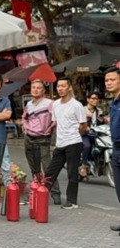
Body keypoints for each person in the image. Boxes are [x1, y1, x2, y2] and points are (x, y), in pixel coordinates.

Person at [44, 77, 87, 209]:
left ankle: (71, 201)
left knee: (72, 173)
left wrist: (74, 136)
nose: (60, 89)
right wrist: (50, 129)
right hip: (60, 143)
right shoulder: (55, 104)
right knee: (51, 171)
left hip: (74, 143)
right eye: (58, 86)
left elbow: (83, 126)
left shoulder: (77, 105)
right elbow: (57, 122)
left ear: (69, 87)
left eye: (63, 86)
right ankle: (41, 195)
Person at [22, 79, 61, 204]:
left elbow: (56, 118)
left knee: (48, 167)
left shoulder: (50, 103)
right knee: (34, 167)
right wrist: (25, 127)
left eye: (39, 88)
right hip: (29, 138)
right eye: (33, 87)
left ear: (43, 90)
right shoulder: (29, 104)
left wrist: (50, 128)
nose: (36, 90)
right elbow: (24, 117)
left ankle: (55, 194)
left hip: (43, 138)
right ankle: (36, 191)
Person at [104, 68, 120, 234]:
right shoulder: (112, 102)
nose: (109, 83)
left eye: (112, 80)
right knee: (119, 188)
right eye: (107, 80)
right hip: (115, 148)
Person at [80, 91, 105, 176]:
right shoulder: (82, 110)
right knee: (87, 146)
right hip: (85, 134)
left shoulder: (99, 111)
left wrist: (103, 120)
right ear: (88, 99)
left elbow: (101, 122)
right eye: (93, 98)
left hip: (96, 134)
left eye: (97, 99)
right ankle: (83, 166)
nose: (96, 101)